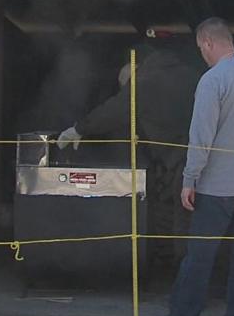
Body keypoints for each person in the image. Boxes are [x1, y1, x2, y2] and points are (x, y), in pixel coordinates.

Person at [147, 17, 234, 316]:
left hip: (219, 185)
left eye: (200, 49)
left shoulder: (212, 80)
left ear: (207, 43)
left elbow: (201, 136)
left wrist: (190, 178)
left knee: (200, 255)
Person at [55, 36, 203, 269]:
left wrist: (79, 129)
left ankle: (183, 281)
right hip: (201, 157)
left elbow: (116, 109)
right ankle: (193, 275)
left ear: (134, 67)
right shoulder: (190, 75)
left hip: (179, 161)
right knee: (194, 221)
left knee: (181, 222)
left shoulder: (147, 80)